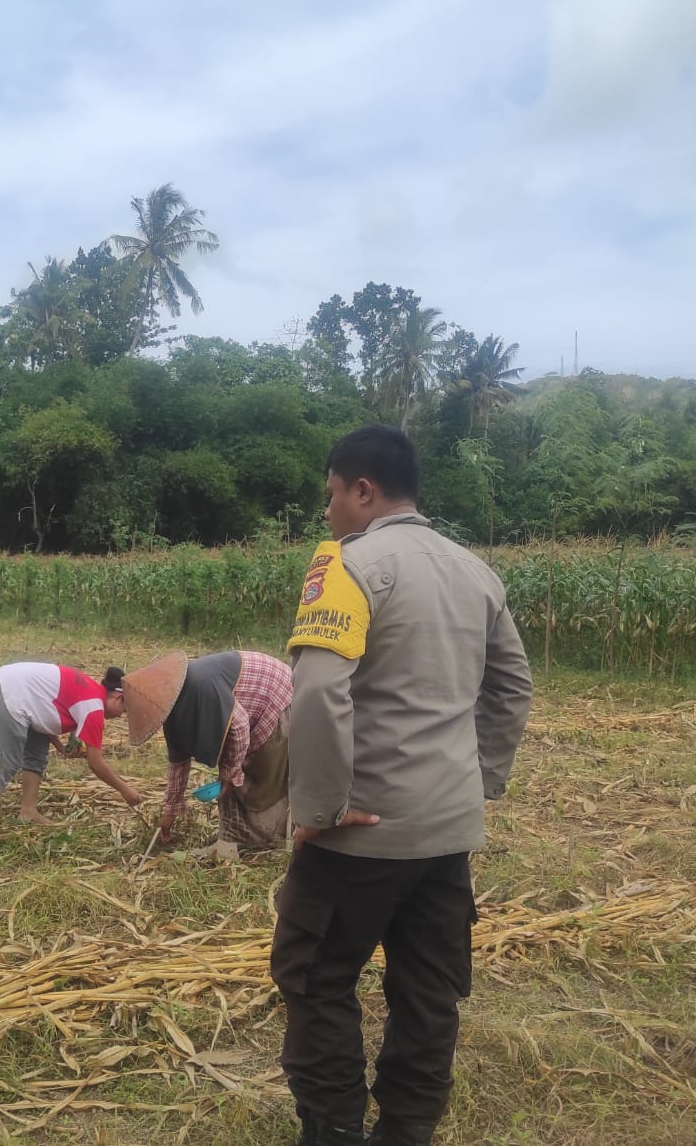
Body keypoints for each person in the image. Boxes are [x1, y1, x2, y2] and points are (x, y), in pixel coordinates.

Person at [270, 426, 533, 1146]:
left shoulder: (348, 566)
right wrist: (480, 780)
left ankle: (333, 1128)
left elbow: (317, 692)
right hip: (448, 832)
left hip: (361, 833)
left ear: (363, 490)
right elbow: (513, 686)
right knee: (428, 989)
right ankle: (407, 1129)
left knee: (314, 973)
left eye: (331, 495)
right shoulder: (476, 572)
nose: (328, 512)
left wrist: (320, 807)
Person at [125, 650, 292, 858]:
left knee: (256, 780)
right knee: (231, 775)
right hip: (254, 710)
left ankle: (258, 839)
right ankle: (233, 841)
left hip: (276, 698)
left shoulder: (200, 687)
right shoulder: (174, 712)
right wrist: (170, 810)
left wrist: (230, 772)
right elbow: (178, 764)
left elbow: (239, 726)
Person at [0, 662, 139, 830]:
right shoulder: (94, 707)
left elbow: (44, 709)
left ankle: (28, 811)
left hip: (12, 685)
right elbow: (96, 763)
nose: (120, 716)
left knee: (36, 755)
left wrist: (59, 745)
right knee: (5, 764)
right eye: (123, 711)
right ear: (118, 697)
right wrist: (125, 790)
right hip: (11, 692)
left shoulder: (90, 690)